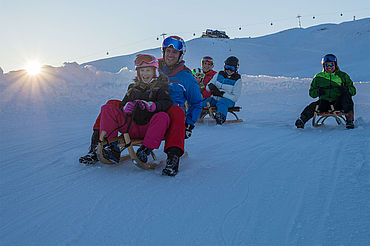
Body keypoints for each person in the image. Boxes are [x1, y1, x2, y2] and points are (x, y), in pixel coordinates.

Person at [99, 54, 172, 164]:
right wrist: (125, 108)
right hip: (130, 127)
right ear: (138, 72)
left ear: (154, 72)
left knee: (163, 116)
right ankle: (112, 147)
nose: (145, 74)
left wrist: (153, 106)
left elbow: (167, 103)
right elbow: (122, 104)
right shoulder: (132, 88)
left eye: (148, 70)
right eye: (142, 70)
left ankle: (145, 150)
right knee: (107, 108)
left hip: (149, 129)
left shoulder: (161, 87)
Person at [158, 36, 203, 176]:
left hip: (173, 118)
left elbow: (196, 102)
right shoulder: (153, 69)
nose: (170, 55)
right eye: (168, 51)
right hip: (152, 111)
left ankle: (173, 157)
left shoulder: (186, 76)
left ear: (180, 55)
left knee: (176, 111)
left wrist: (189, 124)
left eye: (174, 52)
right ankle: (103, 146)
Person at [295, 54, 356, 129]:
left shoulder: (343, 76)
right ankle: (301, 120)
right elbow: (311, 93)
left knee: (347, 98)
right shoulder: (319, 77)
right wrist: (318, 92)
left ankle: (349, 121)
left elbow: (353, 91)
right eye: (327, 65)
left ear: (335, 65)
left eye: (331, 64)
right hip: (325, 102)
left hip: (339, 103)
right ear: (324, 66)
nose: (329, 67)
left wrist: (346, 90)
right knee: (313, 106)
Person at [201, 56, 242, 125]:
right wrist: (212, 87)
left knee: (222, 103)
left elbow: (235, 98)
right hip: (215, 98)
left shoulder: (237, 80)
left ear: (236, 69)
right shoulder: (219, 74)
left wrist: (222, 94)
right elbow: (208, 86)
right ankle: (195, 115)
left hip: (228, 101)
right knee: (205, 102)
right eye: (227, 67)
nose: (229, 70)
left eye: (232, 68)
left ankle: (220, 117)